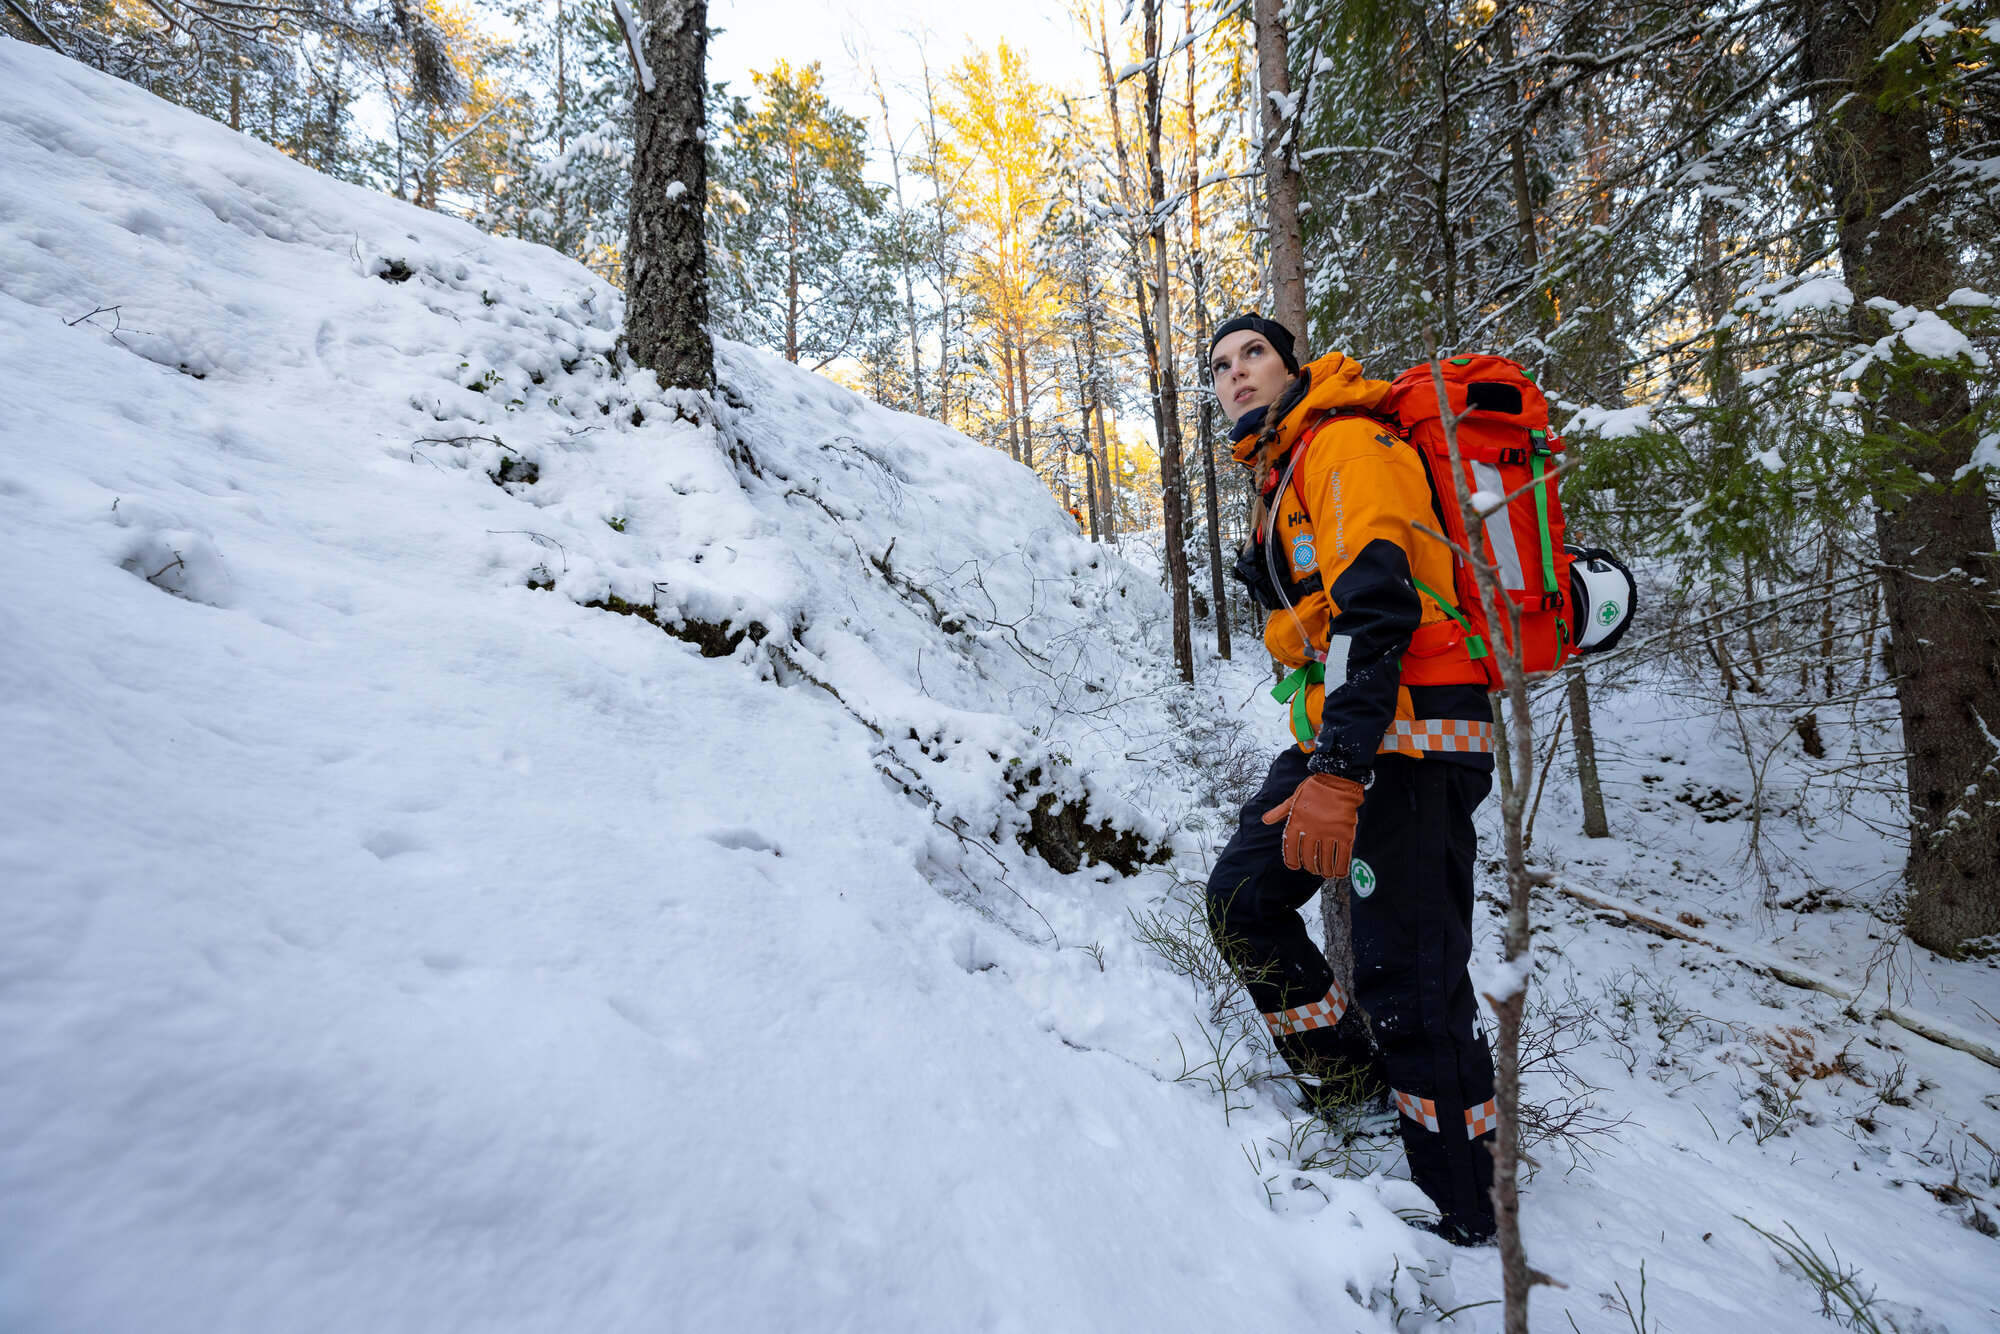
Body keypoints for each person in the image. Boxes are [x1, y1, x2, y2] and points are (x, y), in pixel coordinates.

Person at [1204, 313, 1500, 1245]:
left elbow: (1379, 608)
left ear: (1294, 366)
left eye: (1254, 353)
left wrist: (1338, 772)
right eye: (1220, 365)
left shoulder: (1346, 444)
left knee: (1410, 977)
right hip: (1355, 733)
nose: (1237, 372)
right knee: (1243, 899)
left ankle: (1466, 1206)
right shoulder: (1283, 469)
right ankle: (1351, 1087)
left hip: (1415, 740)